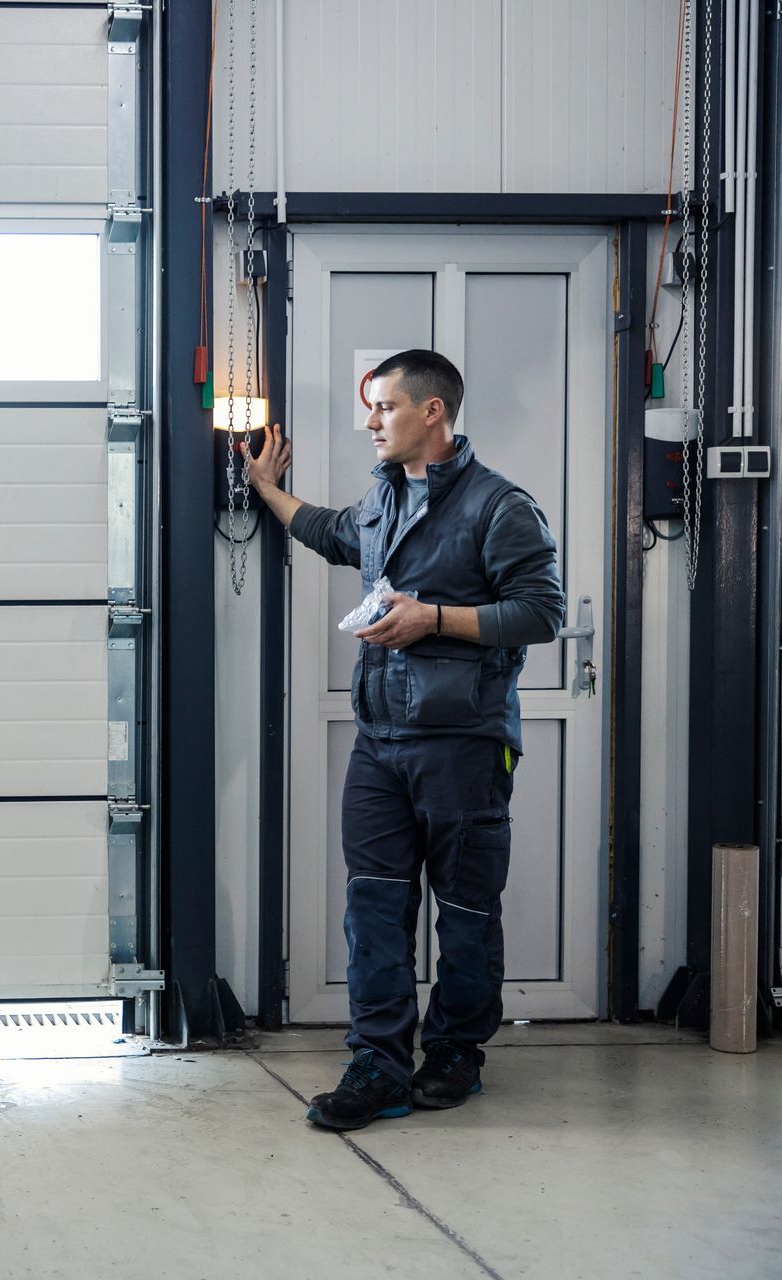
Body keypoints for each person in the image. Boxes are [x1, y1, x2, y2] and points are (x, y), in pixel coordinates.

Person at [243, 348, 566, 1131]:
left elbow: (541, 612)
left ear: (432, 413)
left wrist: (435, 618)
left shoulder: (500, 507)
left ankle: (455, 1054)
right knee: (375, 908)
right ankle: (379, 1065)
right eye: (371, 408)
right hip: (380, 742)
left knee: (463, 909)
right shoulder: (383, 499)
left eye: (384, 407)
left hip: (463, 743)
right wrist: (266, 490)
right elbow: (332, 532)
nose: (371, 421)